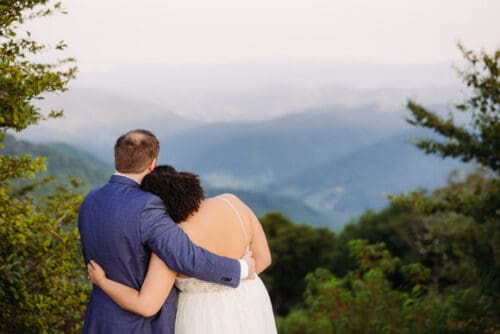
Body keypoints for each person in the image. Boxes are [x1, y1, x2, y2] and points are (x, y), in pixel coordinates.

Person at [78, 129, 255, 333]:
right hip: (139, 326)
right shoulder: (147, 206)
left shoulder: (90, 199)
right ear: (152, 163)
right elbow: (186, 256)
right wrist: (241, 268)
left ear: (117, 157)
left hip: (98, 319)